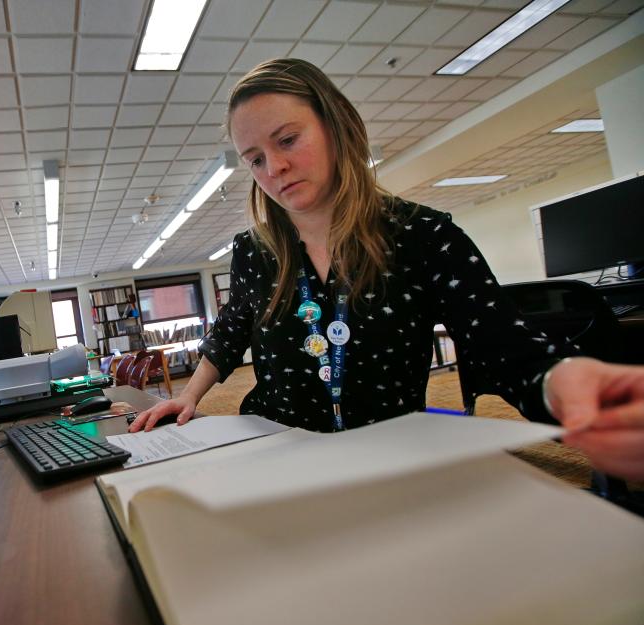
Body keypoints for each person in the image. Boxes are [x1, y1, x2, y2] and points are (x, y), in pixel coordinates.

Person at [129, 58, 644, 482]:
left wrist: (570, 381)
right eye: (254, 159)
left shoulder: (424, 236)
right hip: (275, 465)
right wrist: (189, 397)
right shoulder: (254, 251)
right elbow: (231, 330)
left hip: (390, 466)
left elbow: (506, 349)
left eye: (287, 140)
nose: (273, 169)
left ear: (335, 126)